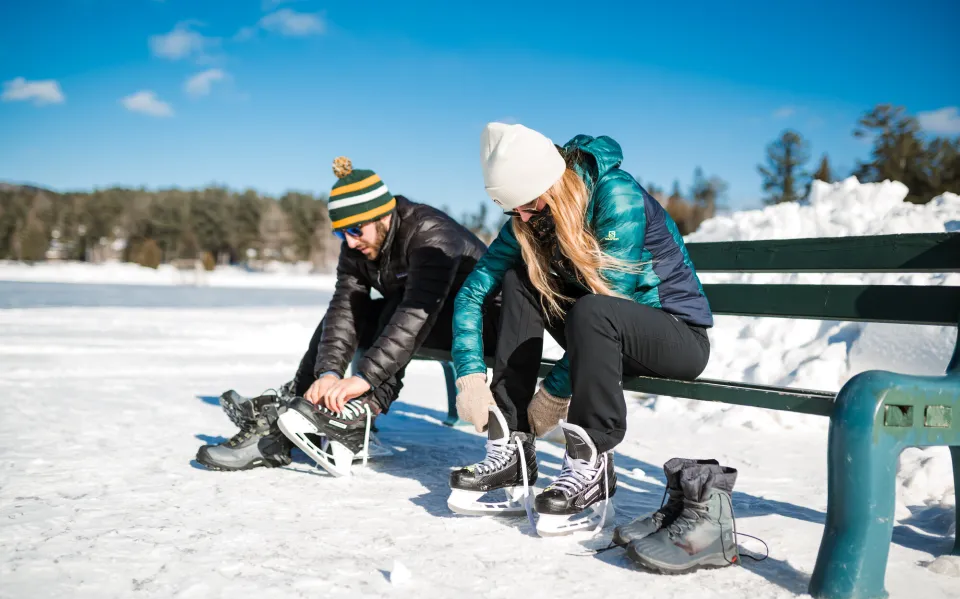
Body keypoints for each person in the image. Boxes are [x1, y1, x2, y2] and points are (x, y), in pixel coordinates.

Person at [448, 123, 714, 536]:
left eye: (531, 205)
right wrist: (467, 376)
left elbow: (614, 300)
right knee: (519, 281)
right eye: (512, 209)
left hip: (675, 336)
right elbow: (471, 295)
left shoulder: (615, 194)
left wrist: (554, 392)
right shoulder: (529, 216)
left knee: (593, 310)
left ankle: (591, 465)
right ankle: (514, 446)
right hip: (602, 332)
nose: (523, 218)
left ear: (552, 185)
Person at [197, 156, 493, 474]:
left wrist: (363, 379)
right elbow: (343, 309)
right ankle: (295, 408)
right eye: (341, 234)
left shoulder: (430, 234)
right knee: (353, 309)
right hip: (422, 319)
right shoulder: (356, 248)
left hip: (482, 327)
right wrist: (328, 373)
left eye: (355, 230)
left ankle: (359, 415)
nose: (350, 242)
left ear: (383, 215)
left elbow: (415, 312)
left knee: (395, 309)